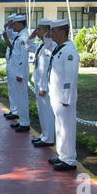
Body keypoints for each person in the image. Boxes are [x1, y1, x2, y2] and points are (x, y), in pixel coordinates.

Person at [47, 19, 79, 171]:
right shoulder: (59, 48)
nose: (50, 33)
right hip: (56, 95)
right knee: (59, 127)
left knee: (67, 128)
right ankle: (62, 155)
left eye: (53, 31)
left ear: (62, 32)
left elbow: (70, 77)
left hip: (64, 97)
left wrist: (66, 97)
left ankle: (70, 159)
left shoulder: (69, 51)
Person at [27, 19, 57, 147]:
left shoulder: (52, 46)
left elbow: (48, 69)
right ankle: (44, 135)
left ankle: (49, 138)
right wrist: (31, 38)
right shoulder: (41, 45)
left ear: (46, 31)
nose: (37, 31)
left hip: (45, 85)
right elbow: (28, 48)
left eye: (39, 29)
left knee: (47, 112)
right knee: (41, 111)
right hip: (39, 82)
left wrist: (44, 87)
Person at [3, 14, 30, 132]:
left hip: (20, 72)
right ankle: (22, 120)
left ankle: (25, 123)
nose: (13, 25)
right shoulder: (20, 35)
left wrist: (20, 74)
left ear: (20, 24)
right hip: (15, 70)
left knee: (22, 98)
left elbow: (24, 58)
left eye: (14, 24)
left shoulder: (23, 37)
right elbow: (9, 34)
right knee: (18, 97)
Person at [2, 14, 19, 120]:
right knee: (11, 89)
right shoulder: (13, 33)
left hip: (15, 65)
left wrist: (6, 40)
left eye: (10, 23)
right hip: (10, 63)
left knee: (15, 90)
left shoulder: (18, 34)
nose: (8, 25)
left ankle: (16, 111)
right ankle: (13, 109)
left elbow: (14, 49)